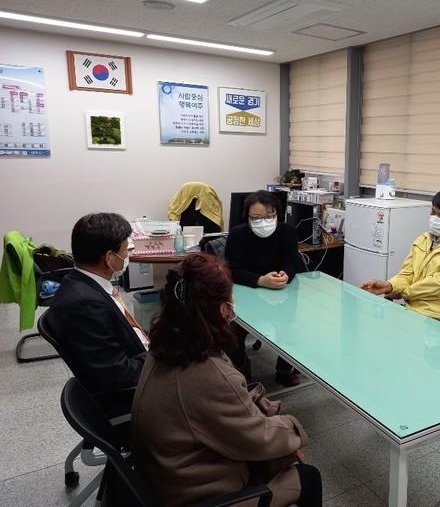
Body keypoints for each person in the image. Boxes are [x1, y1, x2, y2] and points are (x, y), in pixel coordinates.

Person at [131, 254, 322, 507]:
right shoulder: (207, 373)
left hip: (166, 472)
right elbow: (259, 439)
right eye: (230, 295)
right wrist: (291, 428)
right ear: (223, 308)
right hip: (199, 494)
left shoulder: (166, 344)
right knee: (308, 477)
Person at [44, 212, 147, 417]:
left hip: (135, 358)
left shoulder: (79, 281)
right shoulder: (85, 305)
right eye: (126, 249)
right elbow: (119, 375)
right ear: (109, 258)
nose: (127, 254)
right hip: (135, 397)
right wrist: (161, 356)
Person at [360, 188, 440, 324]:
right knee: (370, 323)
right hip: (412, 309)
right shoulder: (424, 239)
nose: (435, 219)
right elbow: (408, 273)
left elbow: (439, 285)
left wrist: (402, 292)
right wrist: (390, 285)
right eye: (433, 212)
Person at [225, 190, 301, 386]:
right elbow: (232, 269)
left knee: (292, 326)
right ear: (247, 217)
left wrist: (286, 274)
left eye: (269, 216)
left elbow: (293, 262)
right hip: (246, 292)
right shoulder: (237, 235)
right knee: (232, 332)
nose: (263, 222)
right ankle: (242, 373)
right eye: (256, 218)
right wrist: (260, 280)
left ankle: (284, 370)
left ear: (277, 215)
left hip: (281, 292)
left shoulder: (287, 232)